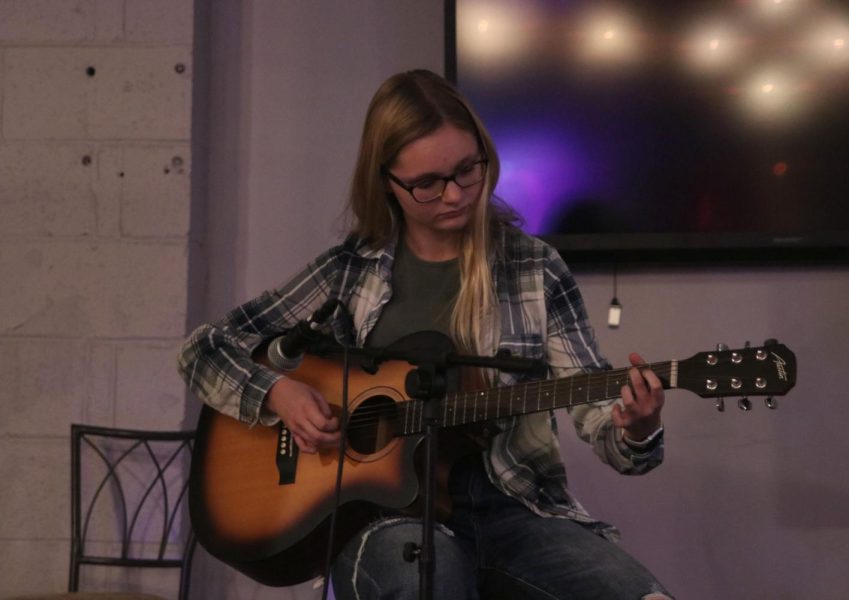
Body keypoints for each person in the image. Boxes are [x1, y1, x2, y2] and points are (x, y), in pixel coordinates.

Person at [178, 69, 672, 599]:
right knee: (427, 583)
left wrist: (636, 429)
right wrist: (279, 393)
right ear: (387, 180)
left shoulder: (534, 268)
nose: (456, 195)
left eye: (468, 170)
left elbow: (598, 412)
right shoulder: (350, 270)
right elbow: (203, 348)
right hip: (384, 521)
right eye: (429, 183)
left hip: (516, 508)